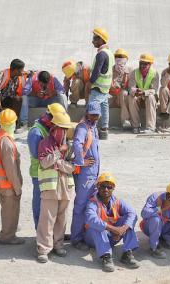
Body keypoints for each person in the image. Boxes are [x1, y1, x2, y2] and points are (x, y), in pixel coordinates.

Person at [35, 112, 78, 263]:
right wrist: (60, 153)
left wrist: (59, 163)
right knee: (47, 219)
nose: (64, 133)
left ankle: (58, 244)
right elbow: (44, 163)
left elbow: (72, 167)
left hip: (66, 188)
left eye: (66, 130)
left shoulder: (70, 146)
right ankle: (43, 248)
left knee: (62, 218)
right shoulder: (44, 143)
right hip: (50, 188)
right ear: (54, 129)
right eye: (62, 129)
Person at [84, 172, 139, 272]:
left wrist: (122, 229)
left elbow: (132, 213)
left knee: (128, 221)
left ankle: (127, 254)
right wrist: (114, 229)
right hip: (94, 239)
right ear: (98, 187)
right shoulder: (92, 202)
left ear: (113, 188)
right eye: (103, 186)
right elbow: (91, 219)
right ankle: (106, 256)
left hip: (112, 236)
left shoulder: (118, 201)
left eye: (109, 187)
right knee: (95, 226)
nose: (106, 189)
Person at [28, 104, 68, 228]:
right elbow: (38, 156)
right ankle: (40, 234)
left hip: (52, 173)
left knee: (52, 206)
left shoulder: (51, 128)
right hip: (39, 174)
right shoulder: (36, 132)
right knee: (40, 206)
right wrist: (58, 150)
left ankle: (53, 234)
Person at [70, 101, 102, 249]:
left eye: (97, 115)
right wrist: (80, 161)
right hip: (85, 175)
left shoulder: (92, 128)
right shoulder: (83, 127)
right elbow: (76, 144)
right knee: (80, 205)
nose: (95, 117)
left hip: (92, 174)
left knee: (89, 205)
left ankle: (82, 234)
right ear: (87, 113)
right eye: (93, 114)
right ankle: (76, 239)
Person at [0, 109, 24, 245]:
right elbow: (11, 170)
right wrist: (17, 188)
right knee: (11, 211)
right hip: (8, 185)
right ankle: (8, 237)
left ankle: (7, 229)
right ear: (12, 123)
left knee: (6, 210)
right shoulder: (7, 143)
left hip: (0, 183)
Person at [89, 27, 115, 139]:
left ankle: (90, 131)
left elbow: (96, 71)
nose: (93, 41)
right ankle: (104, 130)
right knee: (104, 108)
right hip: (105, 88)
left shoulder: (101, 54)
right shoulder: (109, 53)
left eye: (95, 38)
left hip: (98, 87)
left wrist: (90, 82)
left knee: (92, 109)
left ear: (101, 40)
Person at [0, 59, 31, 128]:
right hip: (0, 98)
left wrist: (30, 72)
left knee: (19, 99)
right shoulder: (3, 73)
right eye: (21, 69)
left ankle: (14, 123)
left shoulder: (21, 75)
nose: (22, 71)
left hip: (10, 98)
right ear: (15, 70)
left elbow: (31, 73)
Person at [127, 53, 160, 134]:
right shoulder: (134, 72)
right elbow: (131, 87)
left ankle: (150, 127)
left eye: (145, 64)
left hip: (148, 97)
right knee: (131, 97)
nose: (142, 65)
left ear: (150, 64)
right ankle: (136, 126)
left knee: (151, 97)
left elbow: (154, 89)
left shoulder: (155, 74)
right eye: (141, 63)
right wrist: (135, 91)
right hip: (138, 97)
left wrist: (144, 92)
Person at [111, 48, 132, 131]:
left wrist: (125, 76)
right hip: (112, 98)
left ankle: (125, 120)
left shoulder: (130, 70)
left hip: (123, 99)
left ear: (126, 59)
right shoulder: (110, 69)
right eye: (117, 57)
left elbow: (131, 87)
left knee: (124, 93)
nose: (119, 59)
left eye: (122, 57)